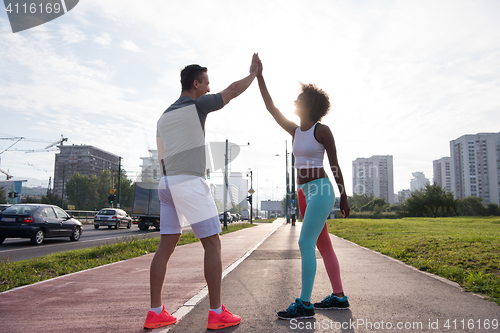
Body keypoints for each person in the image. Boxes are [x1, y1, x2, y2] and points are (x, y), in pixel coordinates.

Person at [144, 54, 260, 330]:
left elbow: (161, 157)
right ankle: (216, 312)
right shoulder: (197, 105)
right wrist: (253, 74)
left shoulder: (163, 117)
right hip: (188, 182)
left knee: (165, 246)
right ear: (195, 84)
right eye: (207, 83)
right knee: (213, 244)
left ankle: (155, 312)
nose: (210, 88)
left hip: (167, 184)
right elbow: (231, 91)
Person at [256, 60, 350, 320]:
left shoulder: (322, 130)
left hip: (320, 190)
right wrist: (259, 76)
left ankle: (305, 304)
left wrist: (343, 196)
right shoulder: (295, 131)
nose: (295, 101)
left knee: (305, 243)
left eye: (299, 98)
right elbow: (271, 107)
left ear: (309, 104)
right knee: (323, 244)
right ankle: (339, 297)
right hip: (303, 192)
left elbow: (334, 165)